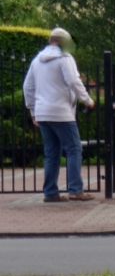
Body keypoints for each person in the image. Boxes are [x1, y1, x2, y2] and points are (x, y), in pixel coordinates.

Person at [22, 28, 96, 202]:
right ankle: (76, 190)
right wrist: (87, 100)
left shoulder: (36, 61)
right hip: (61, 112)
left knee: (51, 152)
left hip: (42, 113)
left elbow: (28, 87)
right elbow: (73, 82)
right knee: (74, 148)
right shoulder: (65, 59)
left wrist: (33, 111)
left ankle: (50, 192)